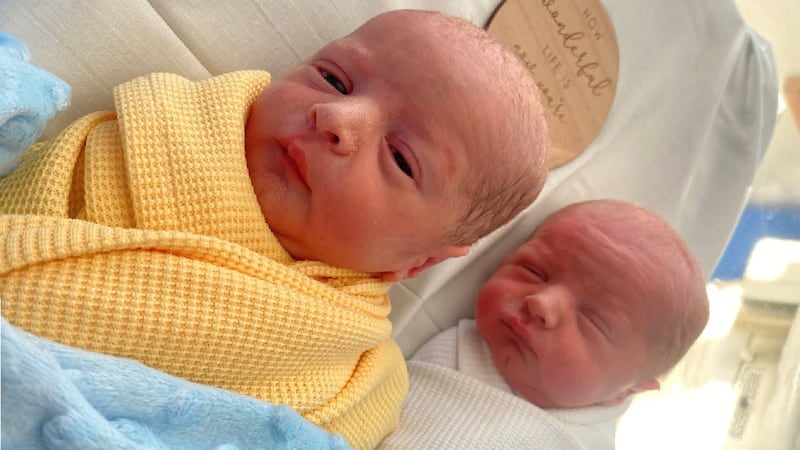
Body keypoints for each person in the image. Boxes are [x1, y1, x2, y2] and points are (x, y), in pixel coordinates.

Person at [0, 9, 547, 450]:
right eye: (333, 78)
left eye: (402, 159)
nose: (337, 117)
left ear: (417, 263)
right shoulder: (165, 126)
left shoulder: (356, 378)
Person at [399, 199, 709, 448]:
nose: (541, 303)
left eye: (591, 320)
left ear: (626, 391)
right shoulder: (459, 343)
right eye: (532, 270)